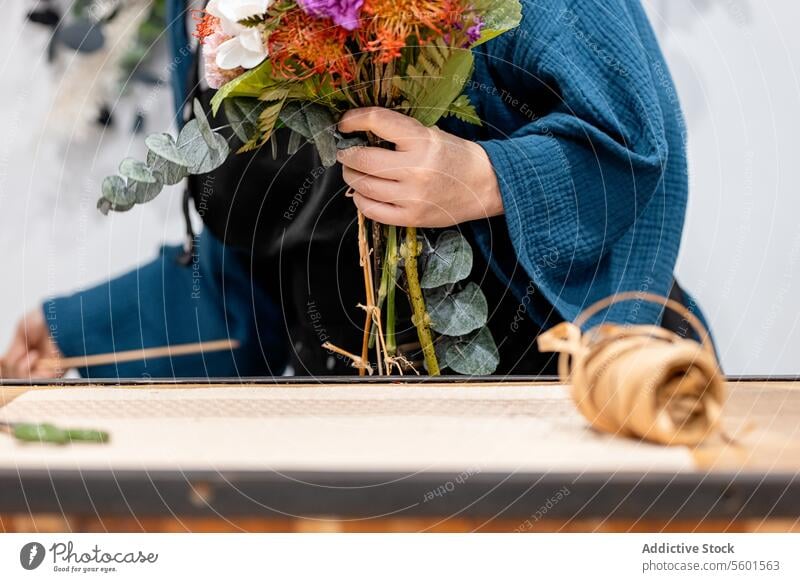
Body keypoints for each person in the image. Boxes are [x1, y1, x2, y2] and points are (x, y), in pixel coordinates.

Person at [2, 0, 709, 379]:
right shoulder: (201, 14)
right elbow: (256, 278)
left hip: (565, 404)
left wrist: (489, 178)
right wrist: (79, 332)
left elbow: (635, 152)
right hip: (356, 445)